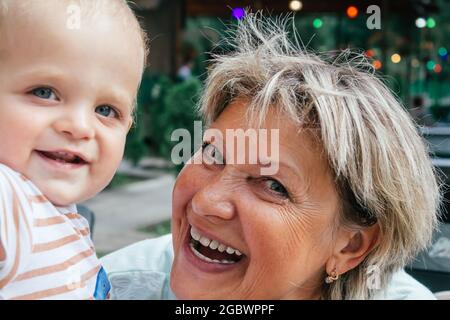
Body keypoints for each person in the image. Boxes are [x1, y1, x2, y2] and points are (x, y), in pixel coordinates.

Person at [102, 13, 441, 299]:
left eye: (272, 185)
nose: (207, 202)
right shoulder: (111, 287)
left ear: (351, 246)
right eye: (213, 154)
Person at [0, 0, 147, 299]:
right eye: (45, 93)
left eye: (106, 110)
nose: (80, 127)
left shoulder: (62, 216)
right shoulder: (11, 199)